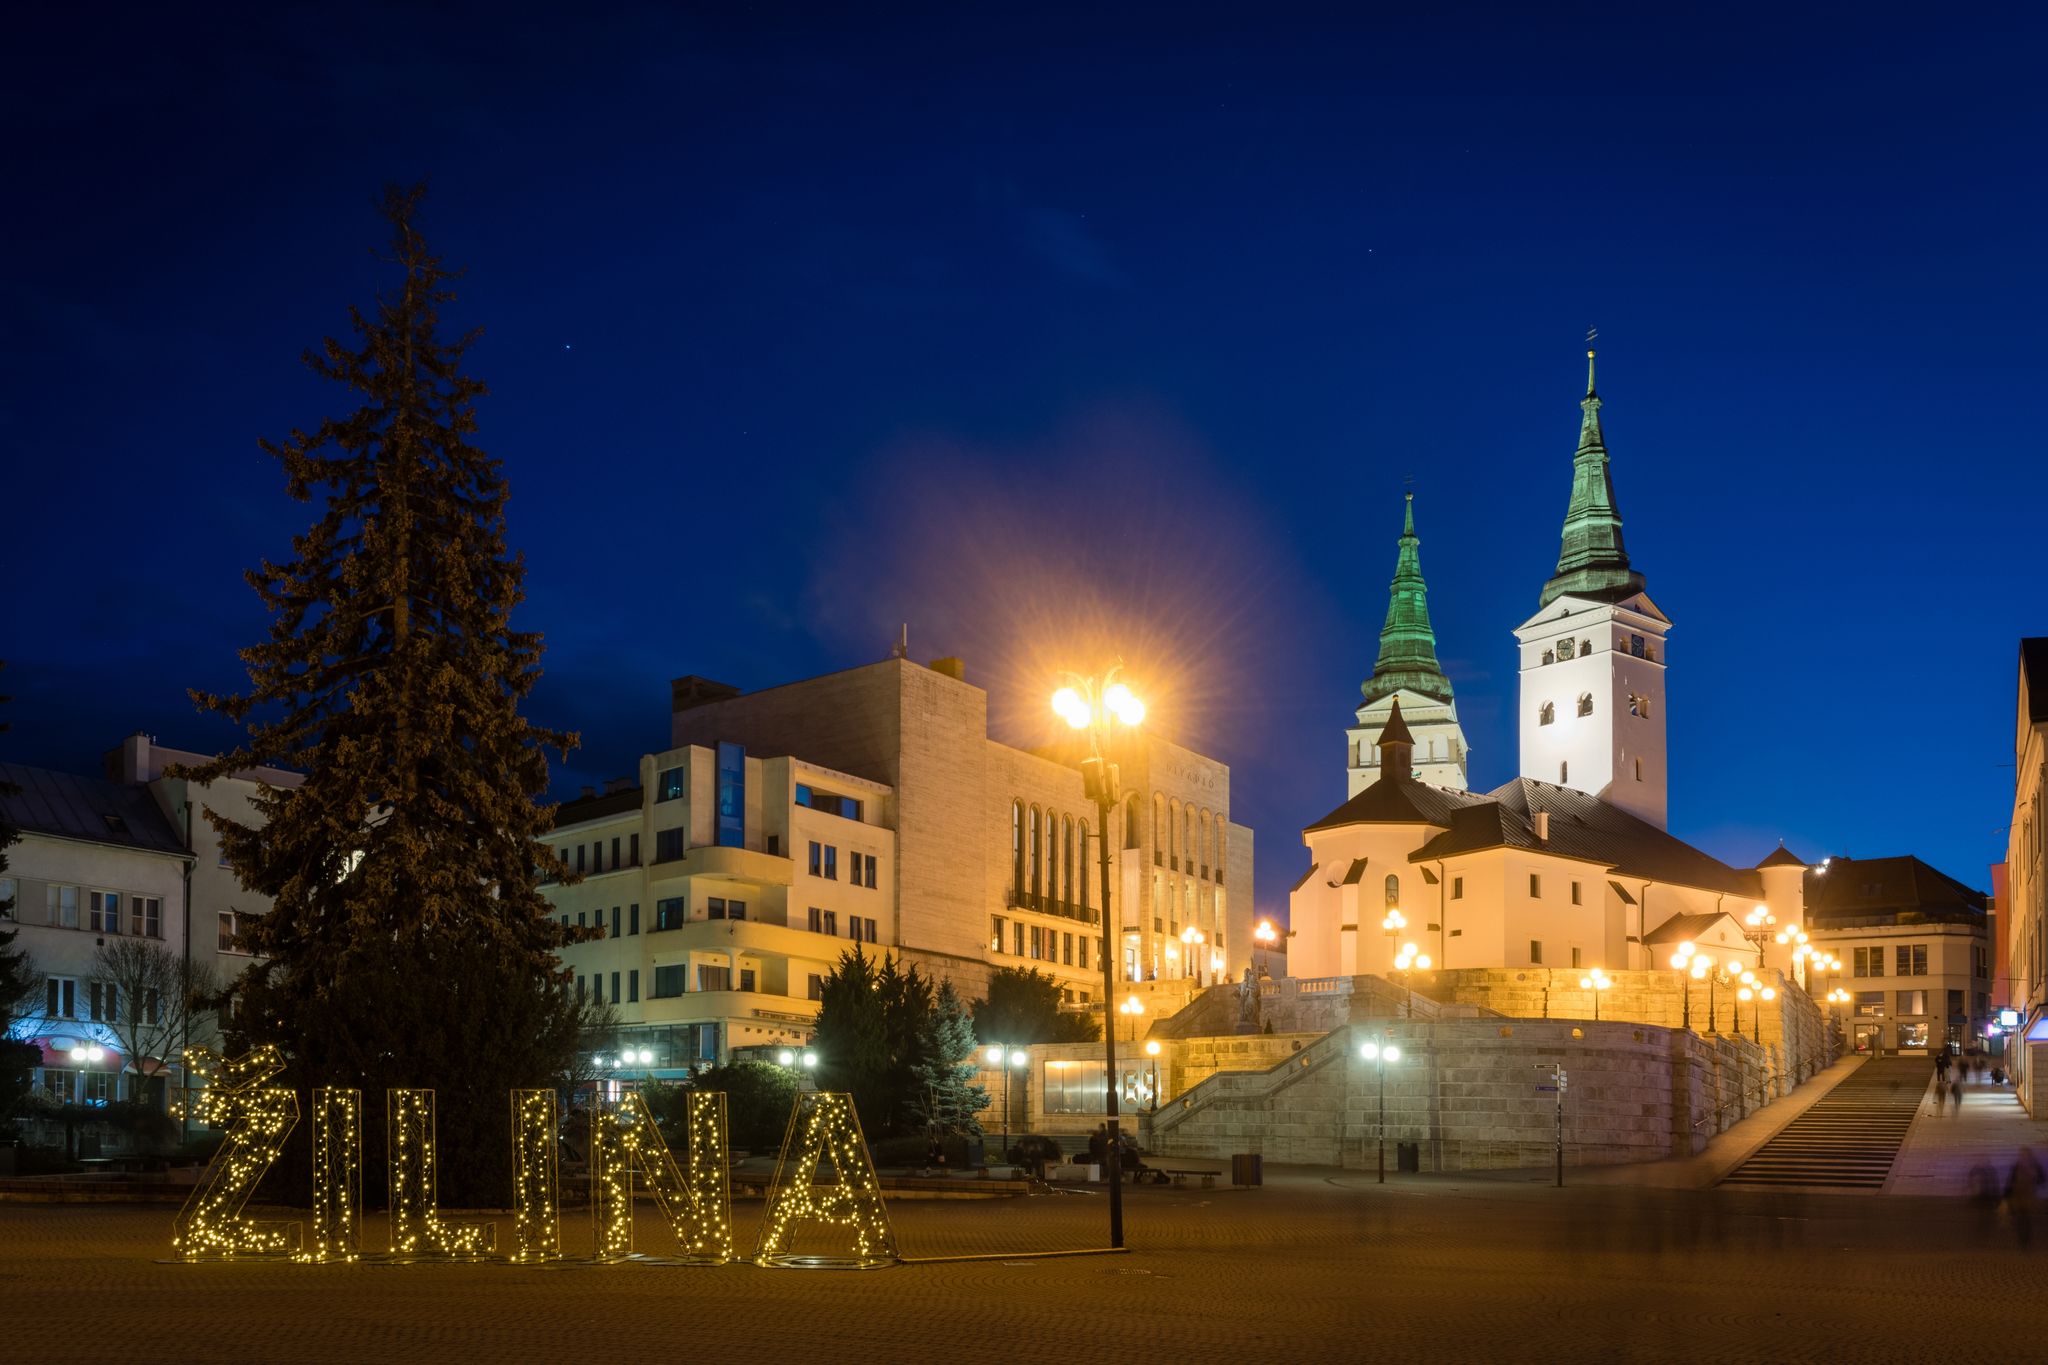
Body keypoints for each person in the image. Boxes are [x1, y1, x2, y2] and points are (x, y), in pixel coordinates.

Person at [2009, 1147, 2045, 1249]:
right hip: (2018, 1196)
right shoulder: (2017, 1166)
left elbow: (2042, 1180)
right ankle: (2023, 1242)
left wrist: (2035, 1177)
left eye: (2025, 1154)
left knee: (2026, 1219)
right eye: (2022, 1154)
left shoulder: (2035, 1166)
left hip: (2029, 1197)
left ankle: (2026, 1242)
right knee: (2021, 1219)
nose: (2023, 1156)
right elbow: (2011, 1182)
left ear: (2029, 1155)